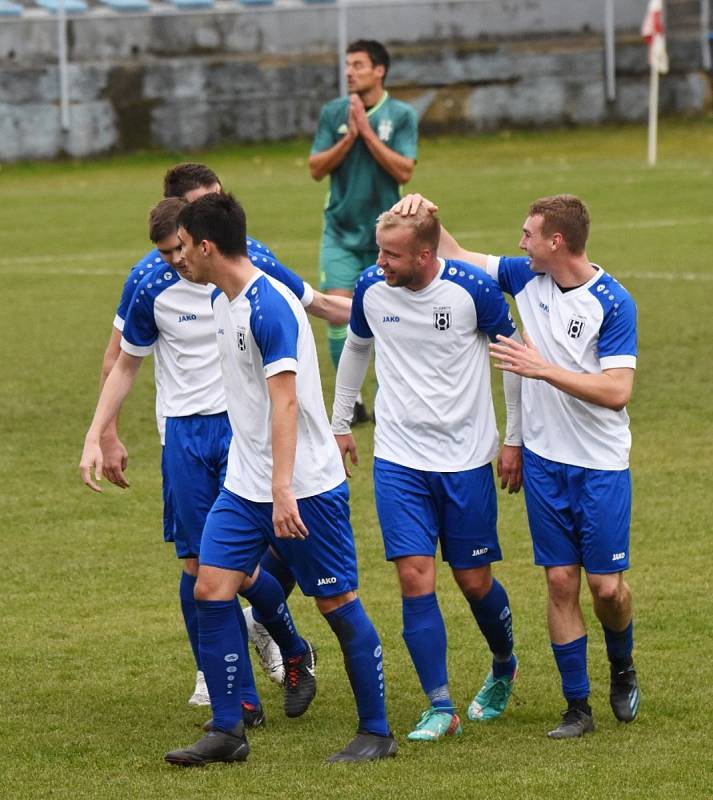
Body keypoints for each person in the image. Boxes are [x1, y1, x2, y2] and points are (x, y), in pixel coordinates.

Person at [80, 197, 352, 725]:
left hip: (240, 429)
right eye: (163, 252)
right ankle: (242, 693)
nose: (173, 261)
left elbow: (313, 304)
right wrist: (100, 433)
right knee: (200, 567)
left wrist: (377, 313)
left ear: (197, 238)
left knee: (244, 563)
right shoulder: (149, 284)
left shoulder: (250, 268)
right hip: (183, 433)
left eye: (178, 248)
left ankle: (287, 650)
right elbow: (123, 363)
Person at [395, 193, 640, 739]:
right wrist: (426, 213)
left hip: (600, 466)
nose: (519, 242)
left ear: (556, 242)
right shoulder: (526, 278)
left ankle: (621, 665)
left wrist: (542, 369)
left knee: (606, 589)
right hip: (548, 464)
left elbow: (617, 391)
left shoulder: (613, 302)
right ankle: (577, 707)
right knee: (559, 581)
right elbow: (454, 253)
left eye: (528, 234)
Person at [163, 192, 396, 766]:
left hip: (306, 486)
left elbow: (284, 403)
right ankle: (227, 730)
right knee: (211, 588)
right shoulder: (222, 300)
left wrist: (284, 489)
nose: (180, 257)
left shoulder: (270, 308)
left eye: (185, 246)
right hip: (245, 484)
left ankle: (377, 731)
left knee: (339, 605)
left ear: (207, 245)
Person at [331, 207, 523, 742]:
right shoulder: (372, 287)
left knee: (473, 580)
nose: (379, 263)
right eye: (379, 251)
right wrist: (340, 422)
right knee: (414, 576)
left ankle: (504, 662)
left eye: (391, 254)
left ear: (424, 254)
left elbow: (513, 359)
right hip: (398, 459)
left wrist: (513, 439)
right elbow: (356, 350)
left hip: (465, 460)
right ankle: (441, 706)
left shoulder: (472, 291)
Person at [309, 39, 418, 422]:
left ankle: (397, 397)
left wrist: (368, 133)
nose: (349, 71)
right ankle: (350, 403)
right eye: (347, 64)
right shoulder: (333, 112)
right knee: (337, 313)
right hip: (339, 232)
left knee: (396, 317)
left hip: (387, 237)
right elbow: (316, 167)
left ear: (379, 70)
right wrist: (350, 136)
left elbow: (404, 171)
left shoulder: (402, 115)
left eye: (357, 64)